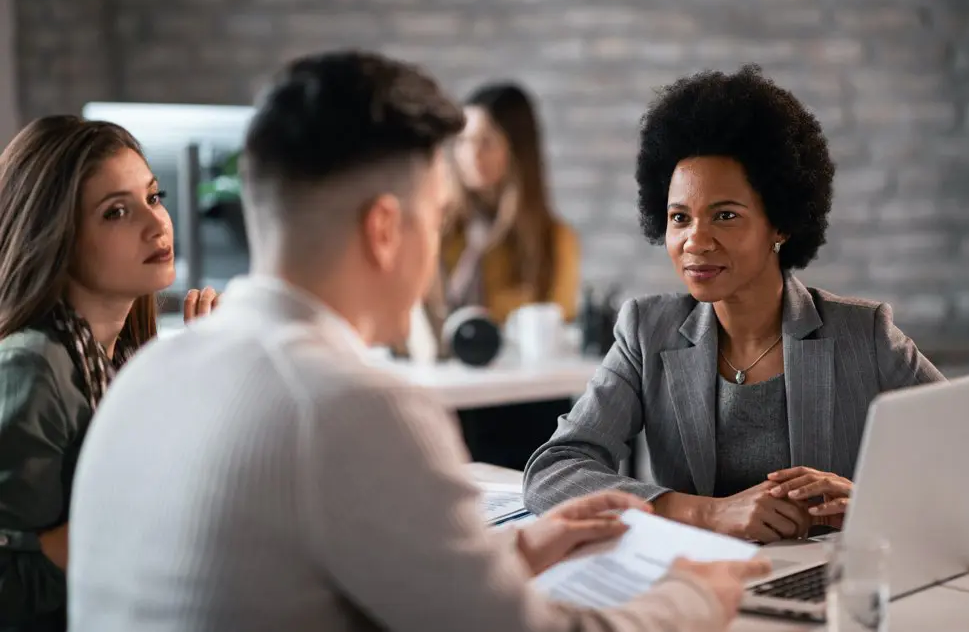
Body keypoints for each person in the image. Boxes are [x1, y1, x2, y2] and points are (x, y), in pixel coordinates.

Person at [67, 51, 767, 632]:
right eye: (434, 218)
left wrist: (523, 547)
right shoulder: (353, 405)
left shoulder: (150, 372)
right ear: (384, 229)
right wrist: (698, 593)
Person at [523, 65, 969, 543]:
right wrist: (709, 513)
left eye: (724, 215)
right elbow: (556, 472)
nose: (695, 241)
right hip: (698, 588)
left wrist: (878, 504)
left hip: (826, 591)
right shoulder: (645, 331)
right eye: (680, 217)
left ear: (780, 224)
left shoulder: (863, 335)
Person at [0, 116, 215, 631]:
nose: (156, 223)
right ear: (57, 236)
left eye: (154, 197)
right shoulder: (31, 368)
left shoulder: (122, 358)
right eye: (116, 212)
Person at [434, 83, 582, 470]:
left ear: (516, 149)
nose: (470, 155)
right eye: (464, 141)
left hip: (521, 406)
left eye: (486, 141)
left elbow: (558, 324)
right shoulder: (438, 228)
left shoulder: (553, 240)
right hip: (449, 402)